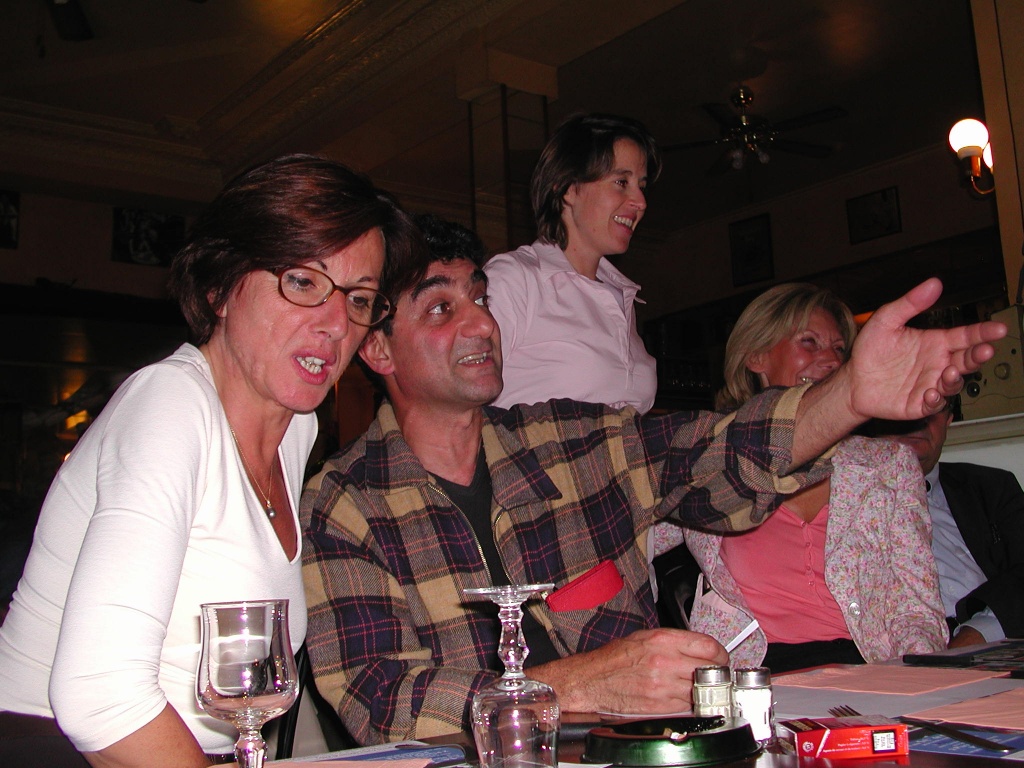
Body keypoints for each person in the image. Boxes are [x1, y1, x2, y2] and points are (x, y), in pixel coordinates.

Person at [300, 216, 1003, 745]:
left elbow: (717, 453)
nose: (482, 322)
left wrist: (848, 396)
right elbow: (378, 695)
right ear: (379, 348)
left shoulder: (572, 442)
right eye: (442, 307)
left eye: (480, 298)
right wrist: (577, 684)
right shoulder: (345, 503)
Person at [0, 155, 418, 767]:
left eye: (359, 298)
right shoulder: (170, 402)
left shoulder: (296, 427)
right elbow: (99, 696)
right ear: (219, 288)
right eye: (303, 282)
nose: (336, 324)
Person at [666, 284, 948, 673]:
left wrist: (916, 675)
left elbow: (915, 604)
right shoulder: (709, 460)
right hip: (754, 677)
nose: (830, 361)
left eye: (839, 349)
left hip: (868, 668)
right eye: (809, 342)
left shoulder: (889, 465)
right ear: (756, 356)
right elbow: (621, 533)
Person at [484, 113, 659, 413]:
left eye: (641, 185)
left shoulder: (622, 298)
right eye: (621, 181)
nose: (641, 202)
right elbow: (457, 397)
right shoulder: (515, 278)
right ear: (567, 188)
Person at [870, 400, 1024, 647]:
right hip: (893, 655)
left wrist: (980, 632)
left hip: (999, 642)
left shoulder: (991, 487)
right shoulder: (838, 501)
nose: (918, 419)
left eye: (932, 406)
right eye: (906, 404)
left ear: (948, 418)